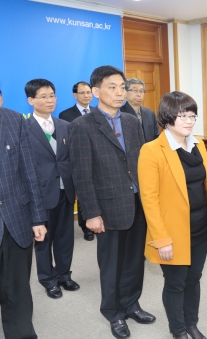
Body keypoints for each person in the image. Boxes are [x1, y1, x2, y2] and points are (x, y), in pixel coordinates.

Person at [70, 65, 155, 339]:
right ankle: (114, 313)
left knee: (134, 261)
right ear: (95, 92)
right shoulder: (82, 126)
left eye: (122, 87)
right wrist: (91, 213)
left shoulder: (131, 121)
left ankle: (131, 304)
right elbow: (82, 175)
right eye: (112, 87)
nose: (120, 92)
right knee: (111, 265)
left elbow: (141, 163)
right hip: (106, 208)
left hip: (136, 203)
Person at [138, 91, 207, 339]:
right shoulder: (152, 150)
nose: (189, 120)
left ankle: (191, 324)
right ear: (167, 117)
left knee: (194, 279)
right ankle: (178, 330)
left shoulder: (199, 144)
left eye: (192, 115)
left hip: (199, 228)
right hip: (172, 232)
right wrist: (161, 239)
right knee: (175, 283)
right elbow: (149, 200)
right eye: (182, 115)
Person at [25, 79, 79, 299]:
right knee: (43, 240)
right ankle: (48, 280)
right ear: (31, 100)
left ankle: (64, 274)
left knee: (66, 237)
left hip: (65, 190)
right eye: (44, 96)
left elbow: (70, 160)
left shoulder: (65, 125)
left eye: (52, 95)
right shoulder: (24, 127)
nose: (50, 100)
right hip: (41, 194)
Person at [0, 107, 47, 338]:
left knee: (16, 290)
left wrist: (38, 217)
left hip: (14, 218)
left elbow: (30, 171)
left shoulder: (14, 120)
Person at [59, 81, 94, 241]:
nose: (87, 95)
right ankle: (85, 226)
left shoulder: (97, 112)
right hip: (79, 158)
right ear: (75, 95)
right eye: (82, 93)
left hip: (98, 158)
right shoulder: (66, 115)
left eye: (89, 92)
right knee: (83, 193)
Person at [121, 78, 160, 142]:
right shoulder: (120, 112)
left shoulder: (150, 113)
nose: (139, 94)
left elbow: (156, 136)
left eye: (141, 91)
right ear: (125, 93)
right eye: (135, 91)